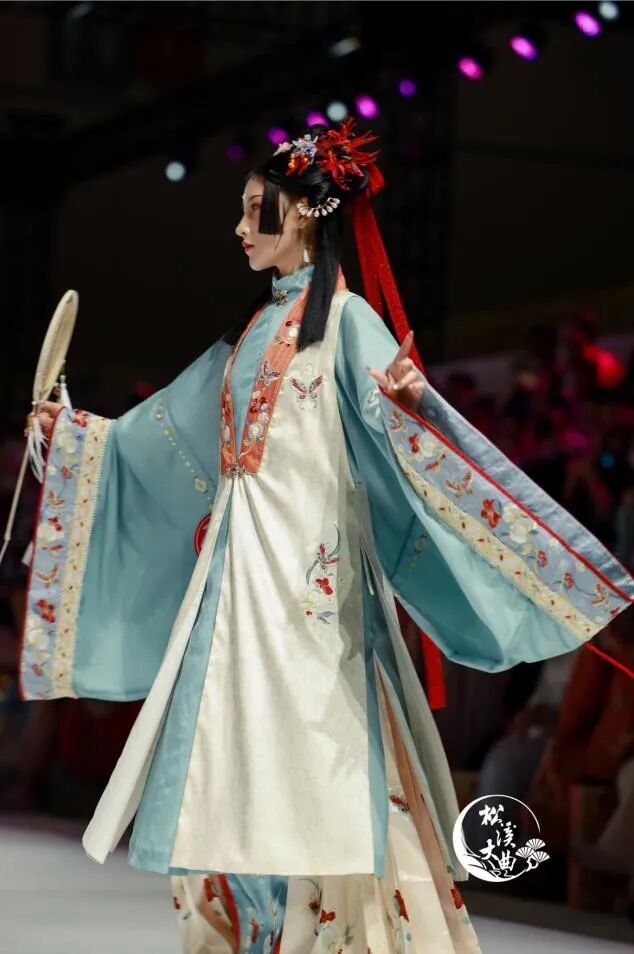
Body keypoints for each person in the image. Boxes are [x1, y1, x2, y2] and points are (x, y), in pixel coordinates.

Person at [23, 120, 634, 953]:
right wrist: (75, 436)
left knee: (325, 771)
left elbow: (401, 432)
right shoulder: (251, 333)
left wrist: (412, 408)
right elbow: (161, 435)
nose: (240, 229)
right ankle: (255, 934)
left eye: (256, 210)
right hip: (236, 593)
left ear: (307, 214)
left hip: (312, 600)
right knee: (221, 764)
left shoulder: (346, 322)